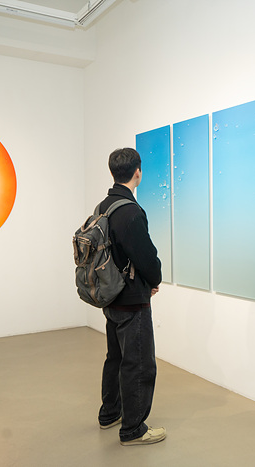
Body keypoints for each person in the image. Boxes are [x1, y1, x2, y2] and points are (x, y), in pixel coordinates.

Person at [97, 147, 166, 446]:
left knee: (115, 357)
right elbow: (145, 255)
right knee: (138, 363)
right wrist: (154, 279)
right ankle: (133, 429)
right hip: (132, 300)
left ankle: (110, 413)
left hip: (110, 295)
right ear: (138, 172)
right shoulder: (130, 211)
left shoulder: (104, 206)